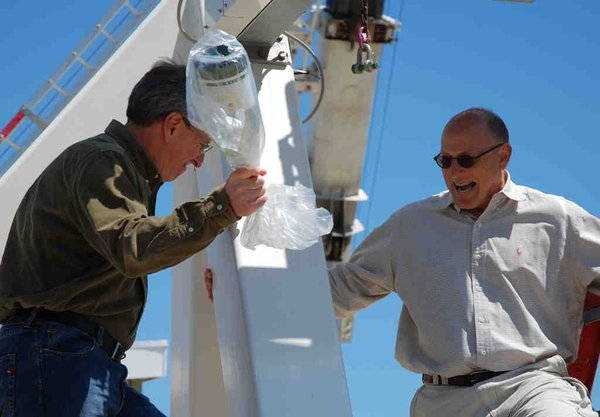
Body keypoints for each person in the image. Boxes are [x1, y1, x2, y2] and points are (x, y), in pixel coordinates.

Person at [0, 60, 267, 416]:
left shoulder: (120, 170)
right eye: (202, 144)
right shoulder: (102, 161)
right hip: (58, 357)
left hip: (80, 360)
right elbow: (133, 248)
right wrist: (221, 206)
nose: (199, 161)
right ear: (173, 125)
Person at [328, 108, 600, 417]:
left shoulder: (558, 219)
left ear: (503, 156)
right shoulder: (409, 226)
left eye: (466, 160)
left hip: (533, 390)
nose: (455, 173)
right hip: (444, 401)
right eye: (446, 161)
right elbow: (337, 292)